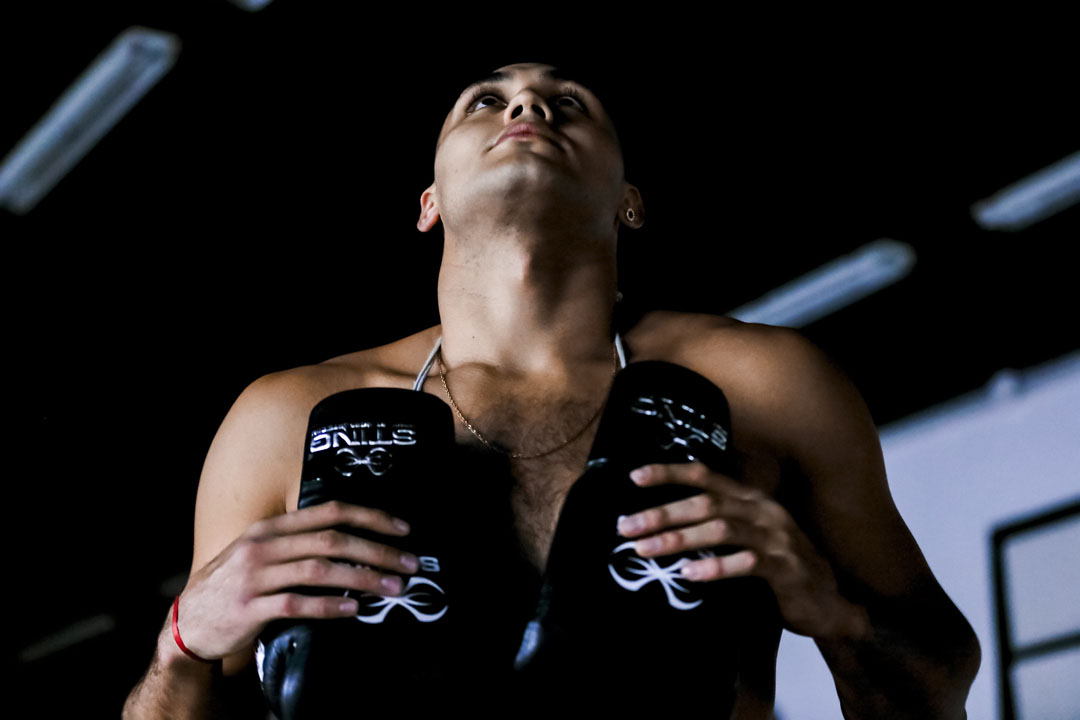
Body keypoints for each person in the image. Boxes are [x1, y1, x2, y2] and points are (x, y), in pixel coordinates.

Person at [123, 62, 980, 718]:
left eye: (568, 102)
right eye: (485, 102)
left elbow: (934, 692)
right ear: (429, 202)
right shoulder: (285, 415)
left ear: (631, 202)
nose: (528, 108)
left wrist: (832, 609)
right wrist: (182, 645)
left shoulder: (764, 385)